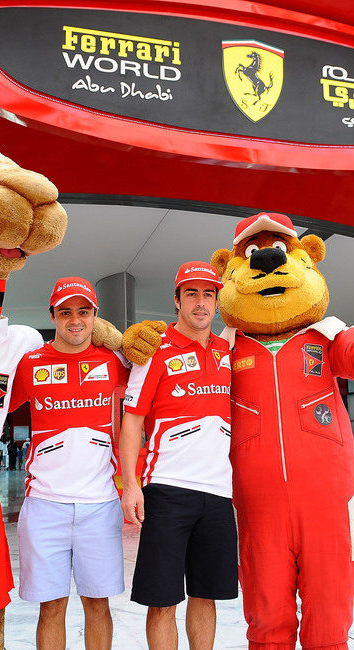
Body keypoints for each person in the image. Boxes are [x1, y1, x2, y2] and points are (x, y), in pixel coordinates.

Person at [7, 277, 131, 650]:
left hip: (100, 505)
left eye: (83, 311)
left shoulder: (114, 362)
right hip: (44, 506)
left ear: (95, 316)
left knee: (98, 606)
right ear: (53, 316)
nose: (75, 320)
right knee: (51, 608)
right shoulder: (30, 364)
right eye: (65, 312)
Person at [119, 261, 236, 650]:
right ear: (176, 300)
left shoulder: (227, 350)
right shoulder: (155, 349)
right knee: (163, 599)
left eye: (208, 294)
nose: (200, 303)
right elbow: (132, 421)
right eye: (191, 294)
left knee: (206, 594)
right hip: (168, 491)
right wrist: (131, 485)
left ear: (218, 302)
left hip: (219, 494)